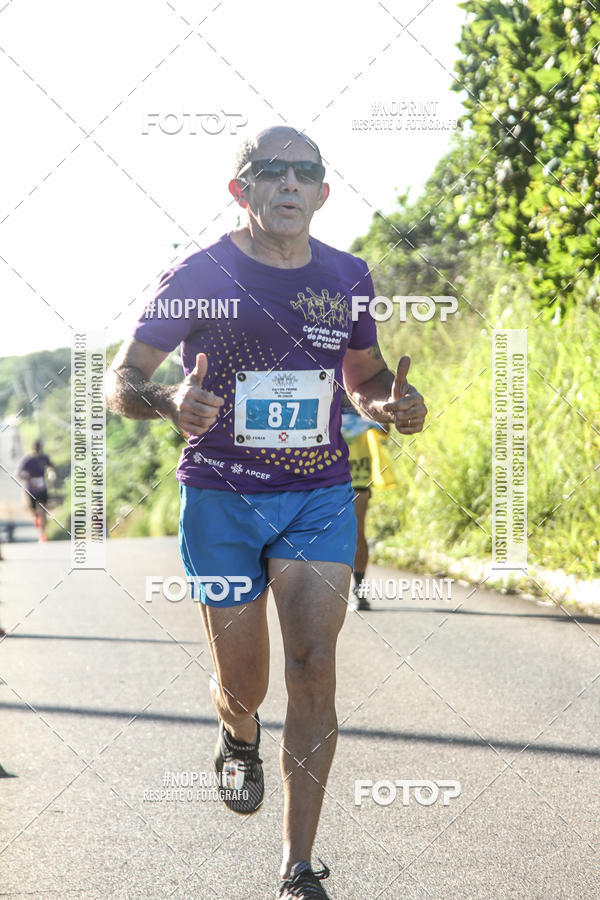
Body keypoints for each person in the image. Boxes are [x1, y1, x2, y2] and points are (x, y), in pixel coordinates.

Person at [105, 125, 427, 899]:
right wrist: (167, 401)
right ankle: (237, 732)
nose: (289, 184)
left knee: (315, 669)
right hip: (221, 498)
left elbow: (362, 374)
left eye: (305, 172)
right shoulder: (197, 273)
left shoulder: (347, 275)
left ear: (323, 191)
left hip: (316, 495)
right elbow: (121, 381)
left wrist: (391, 401)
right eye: (270, 172)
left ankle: (297, 866)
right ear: (239, 190)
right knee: (244, 684)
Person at [341, 393, 398, 611]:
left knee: (357, 531)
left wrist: (378, 411)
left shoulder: (362, 393)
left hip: (358, 478)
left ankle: (359, 590)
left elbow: (385, 430)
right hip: (324, 479)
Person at [17, 440, 55, 542]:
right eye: (37, 448)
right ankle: (37, 518)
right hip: (31, 488)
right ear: (33, 448)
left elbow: (51, 467)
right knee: (34, 511)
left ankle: (43, 534)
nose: (38, 450)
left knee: (43, 510)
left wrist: (51, 474)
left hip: (42, 487)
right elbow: (19, 473)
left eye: (40, 448)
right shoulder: (27, 460)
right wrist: (28, 479)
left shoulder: (44, 458)